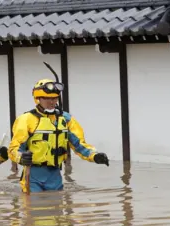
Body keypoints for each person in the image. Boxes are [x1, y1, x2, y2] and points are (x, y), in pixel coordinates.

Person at [9, 65, 109, 193]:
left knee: (56, 210)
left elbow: (79, 145)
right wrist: (21, 158)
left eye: (54, 98)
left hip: (54, 174)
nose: (52, 102)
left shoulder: (65, 119)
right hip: (32, 175)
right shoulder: (26, 119)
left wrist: (94, 156)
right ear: (38, 99)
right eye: (47, 99)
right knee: (34, 210)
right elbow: (13, 149)